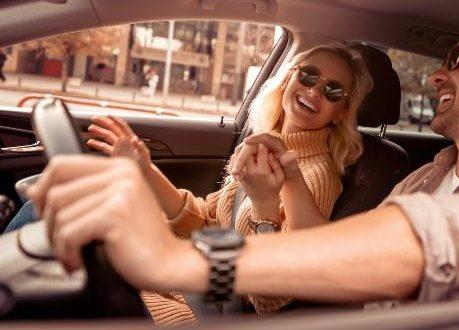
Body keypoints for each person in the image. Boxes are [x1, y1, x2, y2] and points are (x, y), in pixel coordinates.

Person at [28, 8, 459, 311]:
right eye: (307, 75)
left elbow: (444, 240)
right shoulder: (428, 174)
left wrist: (172, 260)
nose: (439, 73)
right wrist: (280, 184)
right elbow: (309, 255)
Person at [81, 44, 372, 323]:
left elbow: (268, 300)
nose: (313, 90)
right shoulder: (262, 145)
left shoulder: (316, 176)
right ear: (289, 77)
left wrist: (264, 207)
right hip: (186, 279)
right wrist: (145, 168)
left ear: (342, 111)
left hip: (204, 311)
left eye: (332, 90)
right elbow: (207, 222)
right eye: (308, 75)